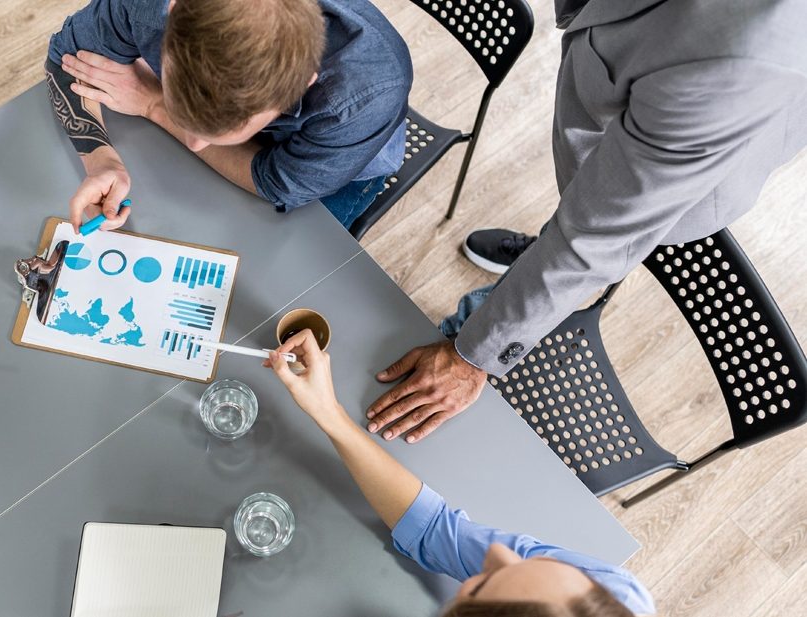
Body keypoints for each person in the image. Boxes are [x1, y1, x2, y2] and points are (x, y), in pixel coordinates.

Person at [364, 0, 807, 443]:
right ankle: (540, 253)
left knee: (583, 246)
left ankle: (519, 297)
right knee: (570, 222)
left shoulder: (734, 60)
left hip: (677, 156)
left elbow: (592, 238)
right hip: (628, 86)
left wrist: (472, 357)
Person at [265, 329, 655, 616]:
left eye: (482, 584)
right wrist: (328, 413)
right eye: (544, 562)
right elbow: (433, 530)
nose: (500, 551)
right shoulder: (620, 596)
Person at [43, 0, 412, 232]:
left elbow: (276, 183)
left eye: (209, 132)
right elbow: (67, 57)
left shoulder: (368, 95)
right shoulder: (148, 5)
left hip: (340, 165)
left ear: (302, 83)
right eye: (182, 110)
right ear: (174, 11)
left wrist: (157, 106)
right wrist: (100, 159)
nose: (193, 143)